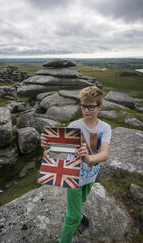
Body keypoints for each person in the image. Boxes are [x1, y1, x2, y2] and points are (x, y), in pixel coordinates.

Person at [40, 86, 112, 243]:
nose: (86, 110)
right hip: (73, 176)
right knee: (72, 217)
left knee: (83, 199)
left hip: (91, 174)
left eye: (90, 106)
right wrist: (48, 144)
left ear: (100, 107)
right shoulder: (74, 125)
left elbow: (104, 154)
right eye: (83, 106)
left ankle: (78, 213)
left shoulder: (105, 128)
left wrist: (88, 159)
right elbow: (61, 151)